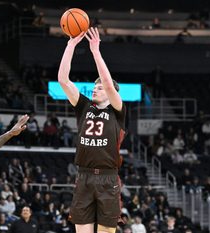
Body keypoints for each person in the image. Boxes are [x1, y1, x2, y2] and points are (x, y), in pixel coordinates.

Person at [58, 27, 126, 233]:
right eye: (94, 87)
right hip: (84, 175)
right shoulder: (84, 106)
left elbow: (106, 81)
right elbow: (63, 79)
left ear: (110, 93)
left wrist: (95, 51)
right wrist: (70, 45)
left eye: (100, 88)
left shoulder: (118, 111)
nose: (95, 88)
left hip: (107, 178)